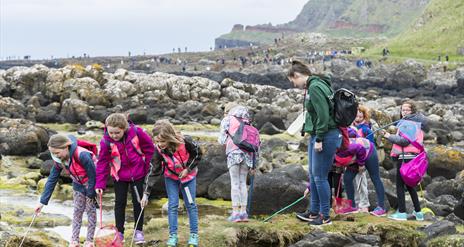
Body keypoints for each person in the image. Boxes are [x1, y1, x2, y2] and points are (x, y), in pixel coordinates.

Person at [288, 60, 341, 226]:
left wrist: (319, 138)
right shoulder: (313, 86)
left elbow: (323, 115)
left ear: (297, 75)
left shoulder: (315, 87)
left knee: (320, 177)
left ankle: (325, 216)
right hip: (317, 135)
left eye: (293, 81)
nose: (294, 85)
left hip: (325, 136)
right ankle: (313, 211)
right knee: (313, 174)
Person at [95, 113, 154, 244]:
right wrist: (100, 184)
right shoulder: (105, 142)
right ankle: (119, 232)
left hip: (138, 174)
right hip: (119, 175)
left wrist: (147, 168)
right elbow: (102, 163)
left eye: (117, 133)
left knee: (138, 202)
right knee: (119, 203)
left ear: (124, 128)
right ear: (106, 129)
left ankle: (138, 231)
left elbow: (150, 149)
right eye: (111, 132)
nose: (114, 136)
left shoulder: (137, 133)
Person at [144, 120, 201, 247]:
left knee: (191, 205)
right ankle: (173, 236)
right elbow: (154, 170)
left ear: (170, 137)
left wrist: (188, 169)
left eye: (162, 141)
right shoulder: (158, 149)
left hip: (188, 177)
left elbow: (198, 154)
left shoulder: (186, 141)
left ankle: (194, 235)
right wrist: (146, 193)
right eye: (157, 141)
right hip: (171, 178)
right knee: (172, 205)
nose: (159, 144)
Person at [36, 134, 97, 247]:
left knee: (91, 211)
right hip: (77, 183)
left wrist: (91, 193)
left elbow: (93, 174)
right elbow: (52, 180)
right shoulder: (59, 160)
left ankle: (89, 241)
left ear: (66, 147)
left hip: (91, 183)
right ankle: (74, 240)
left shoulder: (82, 155)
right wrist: (42, 202)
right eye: (52, 154)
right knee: (77, 211)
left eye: (57, 153)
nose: (55, 156)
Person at [382, 101, 428, 221]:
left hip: (405, 158)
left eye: (407, 110)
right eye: (403, 110)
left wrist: (388, 136)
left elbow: (404, 141)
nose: (404, 112)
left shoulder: (409, 124)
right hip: (412, 157)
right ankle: (418, 213)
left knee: (400, 185)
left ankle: (401, 213)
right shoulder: (416, 123)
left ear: (412, 111)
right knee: (410, 185)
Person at [218, 103, 257, 223]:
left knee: (235, 183)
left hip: (233, 153)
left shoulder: (227, 119)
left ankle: (235, 213)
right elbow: (256, 142)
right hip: (247, 155)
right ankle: (243, 213)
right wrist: (255, 164)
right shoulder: (247, 121)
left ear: (228, 111)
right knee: (242, 183)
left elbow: (221, 140)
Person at [335, 134, 387, 217]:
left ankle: (381, 208)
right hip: (355, 157)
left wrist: (361, 164)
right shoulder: (330, 155)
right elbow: (322, 175)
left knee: (375, 178)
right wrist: (310, 187)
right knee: (347, 178)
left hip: (368, 150)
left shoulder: (346, 147)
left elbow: (360, 149)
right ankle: (351, 207)